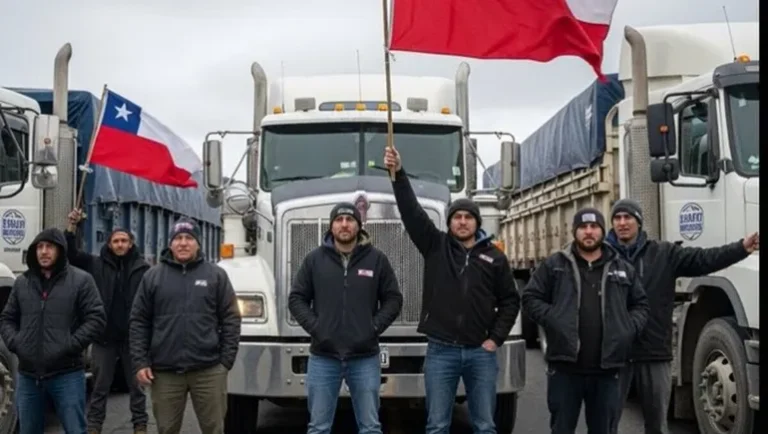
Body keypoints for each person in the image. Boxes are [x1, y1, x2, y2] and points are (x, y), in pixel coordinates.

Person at [383, 147, 520, 434]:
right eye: (457, 217)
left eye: (468, 217)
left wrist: (495, 339)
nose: (462, 221)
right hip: (441, 351)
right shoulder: (435, 246)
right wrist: (398, 174)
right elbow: (410, 211)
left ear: (477, 222)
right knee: (437, 425)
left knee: (485, 425)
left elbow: (510, 301)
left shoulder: (494, 257)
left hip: (480, 353)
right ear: (449, 222)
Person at [605, 198, 759, 434]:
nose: (622, 223)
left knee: (657, 426)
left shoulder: (663, 254)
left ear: (639, 222)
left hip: (654, 353)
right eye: (617, 218)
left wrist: (741, 248)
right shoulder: (601, 258)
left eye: (628, 217)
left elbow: (704, 259)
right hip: (614, 354)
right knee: (605, 422)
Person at [521, 208, 650, 434]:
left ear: (602, 231)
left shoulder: (621, 267)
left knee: (604, 429)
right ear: (574, 231)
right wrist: (553, 319)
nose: (588, 232)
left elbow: (641, 305)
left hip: (607, 370)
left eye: (594, 227)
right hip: (565, 369)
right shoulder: (555, 265)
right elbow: (530, 297)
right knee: (562, 428)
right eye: (583, 227)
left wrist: (628, 328)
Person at [288, 202, 403, 434]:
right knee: (318, 427)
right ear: (331, 226)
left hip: (365, 357)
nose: (344, 225)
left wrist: (373, 327)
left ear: (358, 226)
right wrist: (317, 328)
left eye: (349, 220)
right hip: (324, 356)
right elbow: (297, 298)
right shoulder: (314, 260)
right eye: (339, 220)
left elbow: (393, 299)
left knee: (370, 427)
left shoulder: (376, 260)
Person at [129, 218, 241, 434]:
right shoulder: (153, 277)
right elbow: (139, 321)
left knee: (214, 429)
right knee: (166, 429)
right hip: (165, 373)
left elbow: (231, 318)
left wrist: (225, 361)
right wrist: (140, 362)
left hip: (209, 370)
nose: (183, 243)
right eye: (178, 238)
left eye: (189, 238)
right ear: (170, 243)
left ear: (198, 243)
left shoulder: (216, 275)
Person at [0, 228, 106, 434]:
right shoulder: (22, 283)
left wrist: (70, 344)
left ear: (61, 250)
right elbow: (6, 318)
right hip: (29, 376)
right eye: (39, 247)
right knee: (28, 430)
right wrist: (16, 343)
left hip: (67, 374)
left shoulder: (81, 280)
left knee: (75, 429)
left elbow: (96, 318)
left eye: (49, 247)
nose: (44, 251)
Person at [65, 208, 150, 434]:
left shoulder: (143, 269)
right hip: (104, 338)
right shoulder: (96, 265)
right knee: (100, 387)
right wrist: (72, 227)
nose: (120, 244)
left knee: (137, 388)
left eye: (124, 241)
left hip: (133, 340)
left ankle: (140, 426)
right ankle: (94, 426)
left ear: (131, 244)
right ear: (109, 244)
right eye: (116, 241)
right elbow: (71, 255)